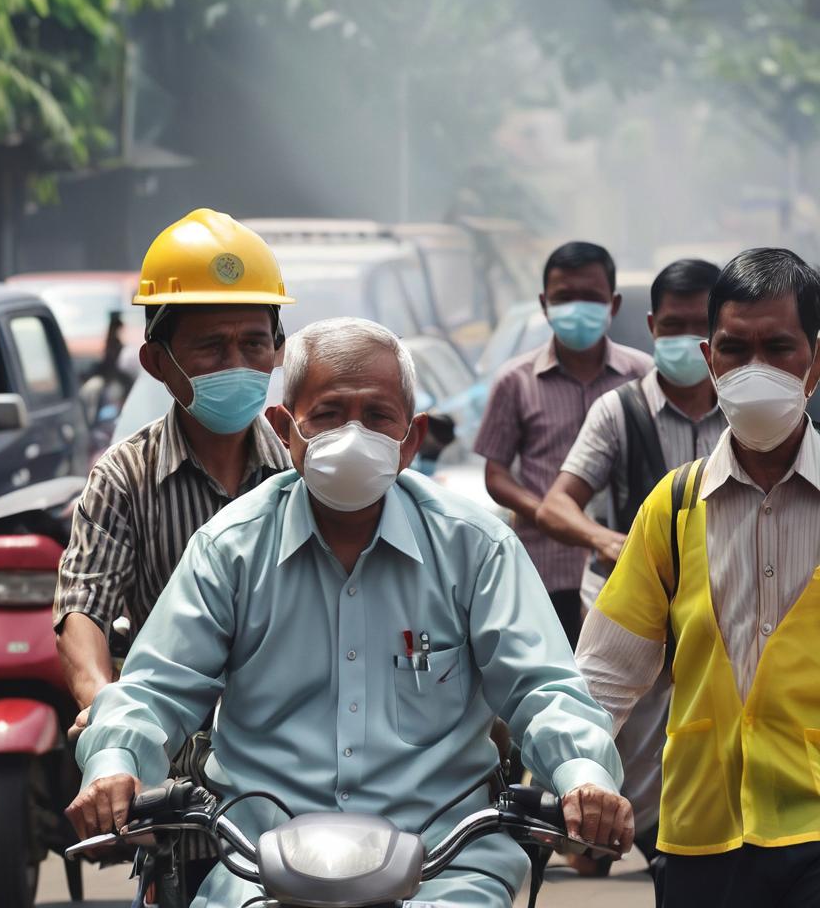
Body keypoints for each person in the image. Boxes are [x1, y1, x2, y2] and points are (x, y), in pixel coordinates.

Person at [66, 318, 634, 908]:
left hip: (442, 867)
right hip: (262, 868)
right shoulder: (229, 547)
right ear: (286, 429)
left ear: (411, 439)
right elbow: (157, 687)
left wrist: (583, 777)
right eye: (330, 414)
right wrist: (115, 763)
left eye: (378, 416)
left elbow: (543, 688)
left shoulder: (476, 546)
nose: (353, 433)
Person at [575, 247, 820, 908]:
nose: (755, 369)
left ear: (816, 361)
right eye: (736, 350)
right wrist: (583, 773)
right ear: (710, 360)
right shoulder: (675, 506)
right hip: (700, 839)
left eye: (779, 347)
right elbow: (605, 672)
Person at [54, 208, 294, 880]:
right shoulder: (125, 478)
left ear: (279, 349)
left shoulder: (306, 475)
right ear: (158, 362)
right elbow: (84, 609)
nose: (239, 364)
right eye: (212, 348)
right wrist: (105, 710)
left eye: (254, 344)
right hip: (180, 789)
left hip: (298, 779)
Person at [536, 258, 725, 886]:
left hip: (713, 607)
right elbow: (556, 502)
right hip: (629, 608)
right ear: (651, 325)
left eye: (702, 326)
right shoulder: (620, 412)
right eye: (674, 326)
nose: (688, 341)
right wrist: (611, 541)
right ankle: (586, 826)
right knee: (610, 721)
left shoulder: (744, 413)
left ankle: (667, 832)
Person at [474, 241, 653, 646]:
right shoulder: (515, 380)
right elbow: (495, 474)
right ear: (544, 303)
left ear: (613, 303)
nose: (577, 308)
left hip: (626, 562)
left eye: (590, 297)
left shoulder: (642, 376)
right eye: (564, 297)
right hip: (542, 565)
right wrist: (548, 514)